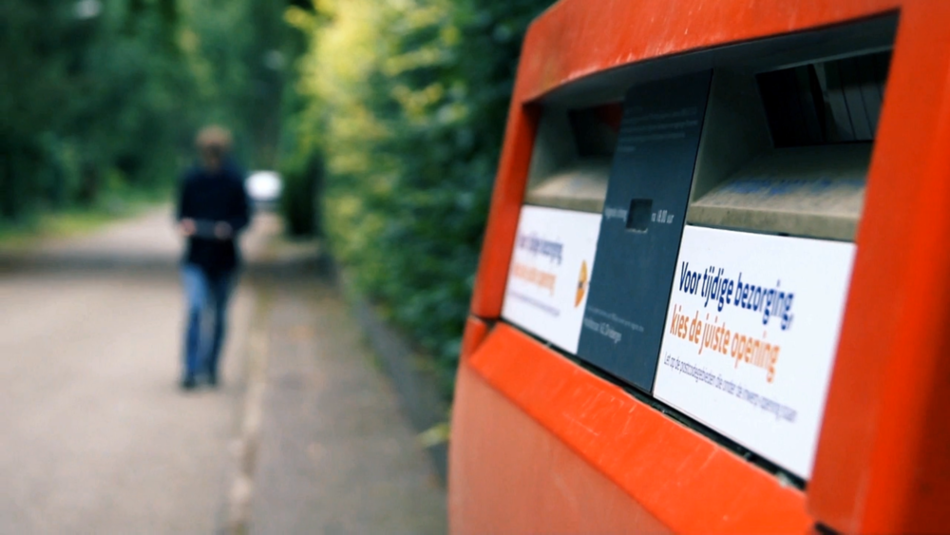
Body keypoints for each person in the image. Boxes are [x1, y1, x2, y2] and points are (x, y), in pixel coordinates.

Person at [175, 126, 251, 390]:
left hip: (224, 259)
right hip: (196, 258)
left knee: (218, 316)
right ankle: (191, 369)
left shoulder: (234, 179)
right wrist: (187, 226)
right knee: (196, 310)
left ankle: (211, 368)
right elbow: (180, 214)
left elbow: (245, 217)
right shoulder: (192, 179)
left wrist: (228, 228)